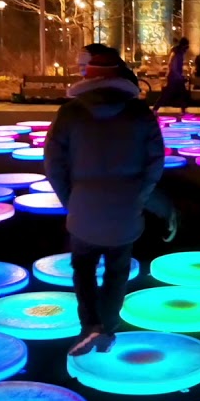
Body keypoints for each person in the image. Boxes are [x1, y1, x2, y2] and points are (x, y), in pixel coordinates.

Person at [46, 47, 172, 357]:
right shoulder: (140, 114)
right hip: (125, 211)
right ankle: (109, 327)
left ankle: (90, 325)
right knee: (117, 270)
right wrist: (139, 198)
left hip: (84, 209)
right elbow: (155, 163)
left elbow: (54, 164)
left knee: (83, 269)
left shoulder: (70, 113)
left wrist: (70, 200)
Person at [152, 38, 192, 116]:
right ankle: (155, 109)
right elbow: (174, 66)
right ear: (184, 45)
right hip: (174, 77)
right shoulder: (178, 53)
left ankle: (183, 110)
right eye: (187, 45)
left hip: (174, 77)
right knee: (168, 94)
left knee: (181, 93)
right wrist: (179, 76)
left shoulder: (177, 52)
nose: (187, 48)